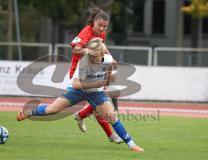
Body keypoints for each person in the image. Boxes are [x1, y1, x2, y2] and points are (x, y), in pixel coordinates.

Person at [16, 39, 144, 152]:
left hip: (96, 92)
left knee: (111, 116)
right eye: (91, 55)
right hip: (77, 90)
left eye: (95, 56)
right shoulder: (84, 63)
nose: (92, 58)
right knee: (52, 110)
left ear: (101, 54)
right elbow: (77, 84)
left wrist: (109, 75)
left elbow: (111, 76)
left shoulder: (108, 60)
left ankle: (132, 145)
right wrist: (97, 82)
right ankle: (29, 112)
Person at [69, 7, 121, 143]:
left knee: (99, 104)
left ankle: (82, 117)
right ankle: (81, 116)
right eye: (100, 25)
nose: (102, 29)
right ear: (94, 22)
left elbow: (102, 47)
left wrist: (111, 58)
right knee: (99, 103)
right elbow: (75, 49)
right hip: (79, 72)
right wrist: (90, 51)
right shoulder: (86, 32)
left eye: (105, 26)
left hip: (94, 71)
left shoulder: (101, 34)